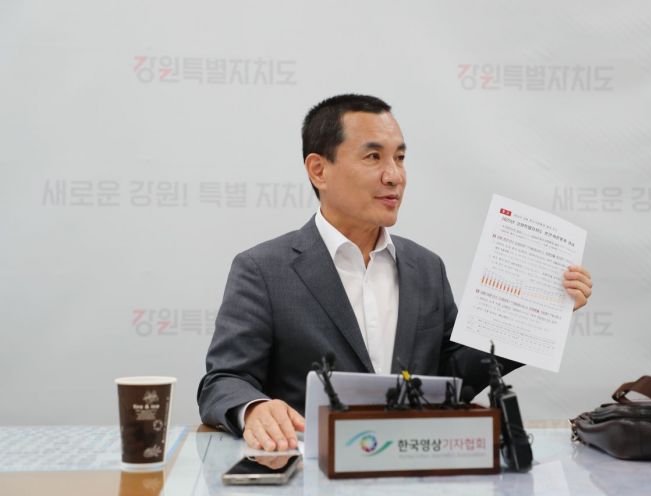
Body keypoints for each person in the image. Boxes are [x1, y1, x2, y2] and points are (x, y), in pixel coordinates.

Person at [197, 94, 593, 452]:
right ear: (319, 170)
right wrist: (254, 409)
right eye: (373, 157)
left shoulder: (426, 267)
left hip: (413, 467)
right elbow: (223, 381)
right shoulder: (263, 269)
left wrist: (540, 313)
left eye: (400, 158)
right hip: (312, 472)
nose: (395, 176)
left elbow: (453, 378)